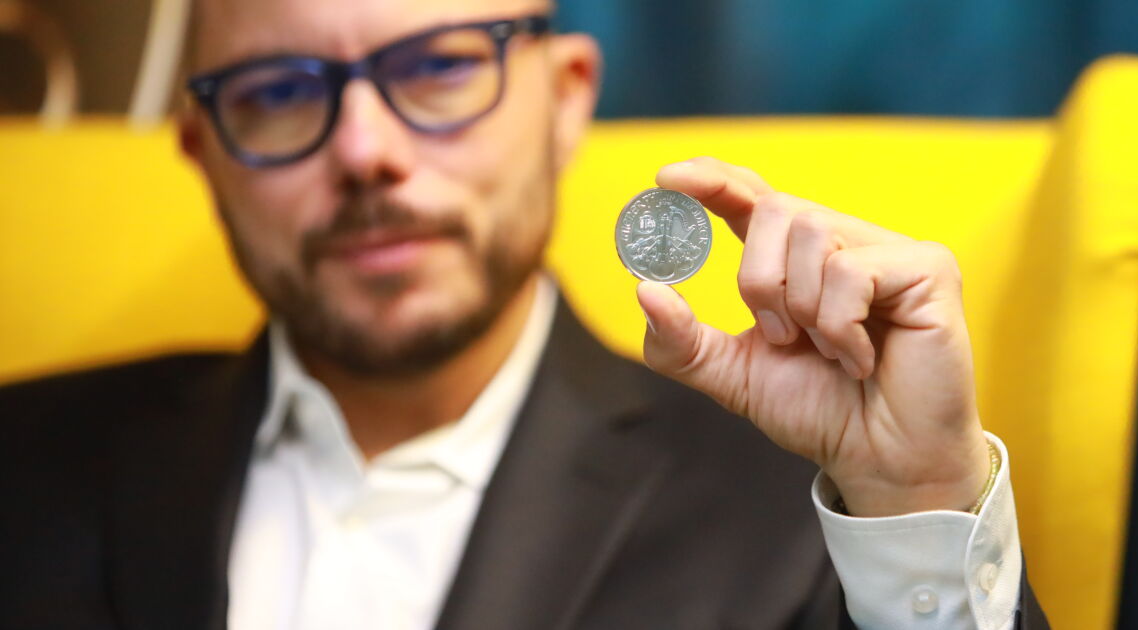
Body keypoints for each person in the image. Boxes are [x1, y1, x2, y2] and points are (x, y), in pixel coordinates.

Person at [0, 0, 1049, 628]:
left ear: (566, 98)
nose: (365, 151)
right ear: (201, 152)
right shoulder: (25, 463)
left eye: (440, 66)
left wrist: (917, 505)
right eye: (280, 91)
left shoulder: (822, 511)